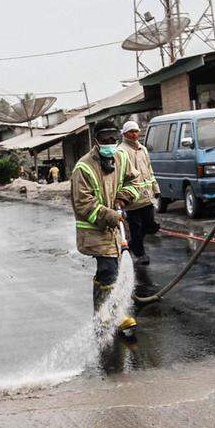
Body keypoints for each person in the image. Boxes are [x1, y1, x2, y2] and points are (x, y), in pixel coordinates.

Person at [71, 120, 139, 312]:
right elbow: (83, 203)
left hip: (115, 228)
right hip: (95, 231)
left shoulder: (122, 158)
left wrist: (123, 198)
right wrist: (109, 215)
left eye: (113, 138)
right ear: (96, 140)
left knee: (110, 271)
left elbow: (135, 183)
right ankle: (107, 315)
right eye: (104, 139)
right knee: (109, 269)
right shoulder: (83, 167)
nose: (110, 142)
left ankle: (107, 311)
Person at [116, 119, 160, 265]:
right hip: (132, 199)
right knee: (136, 227)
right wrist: (120, 197)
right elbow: (118, 176)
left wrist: (156, 189)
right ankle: (140, 253)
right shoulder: (121, 151)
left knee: (149, 225)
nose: (135, 134)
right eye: (131, 132)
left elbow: (149, 170)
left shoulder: (143, 149)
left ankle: (134, 244)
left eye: (136, 131)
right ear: (125, 134)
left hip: (146, 197)